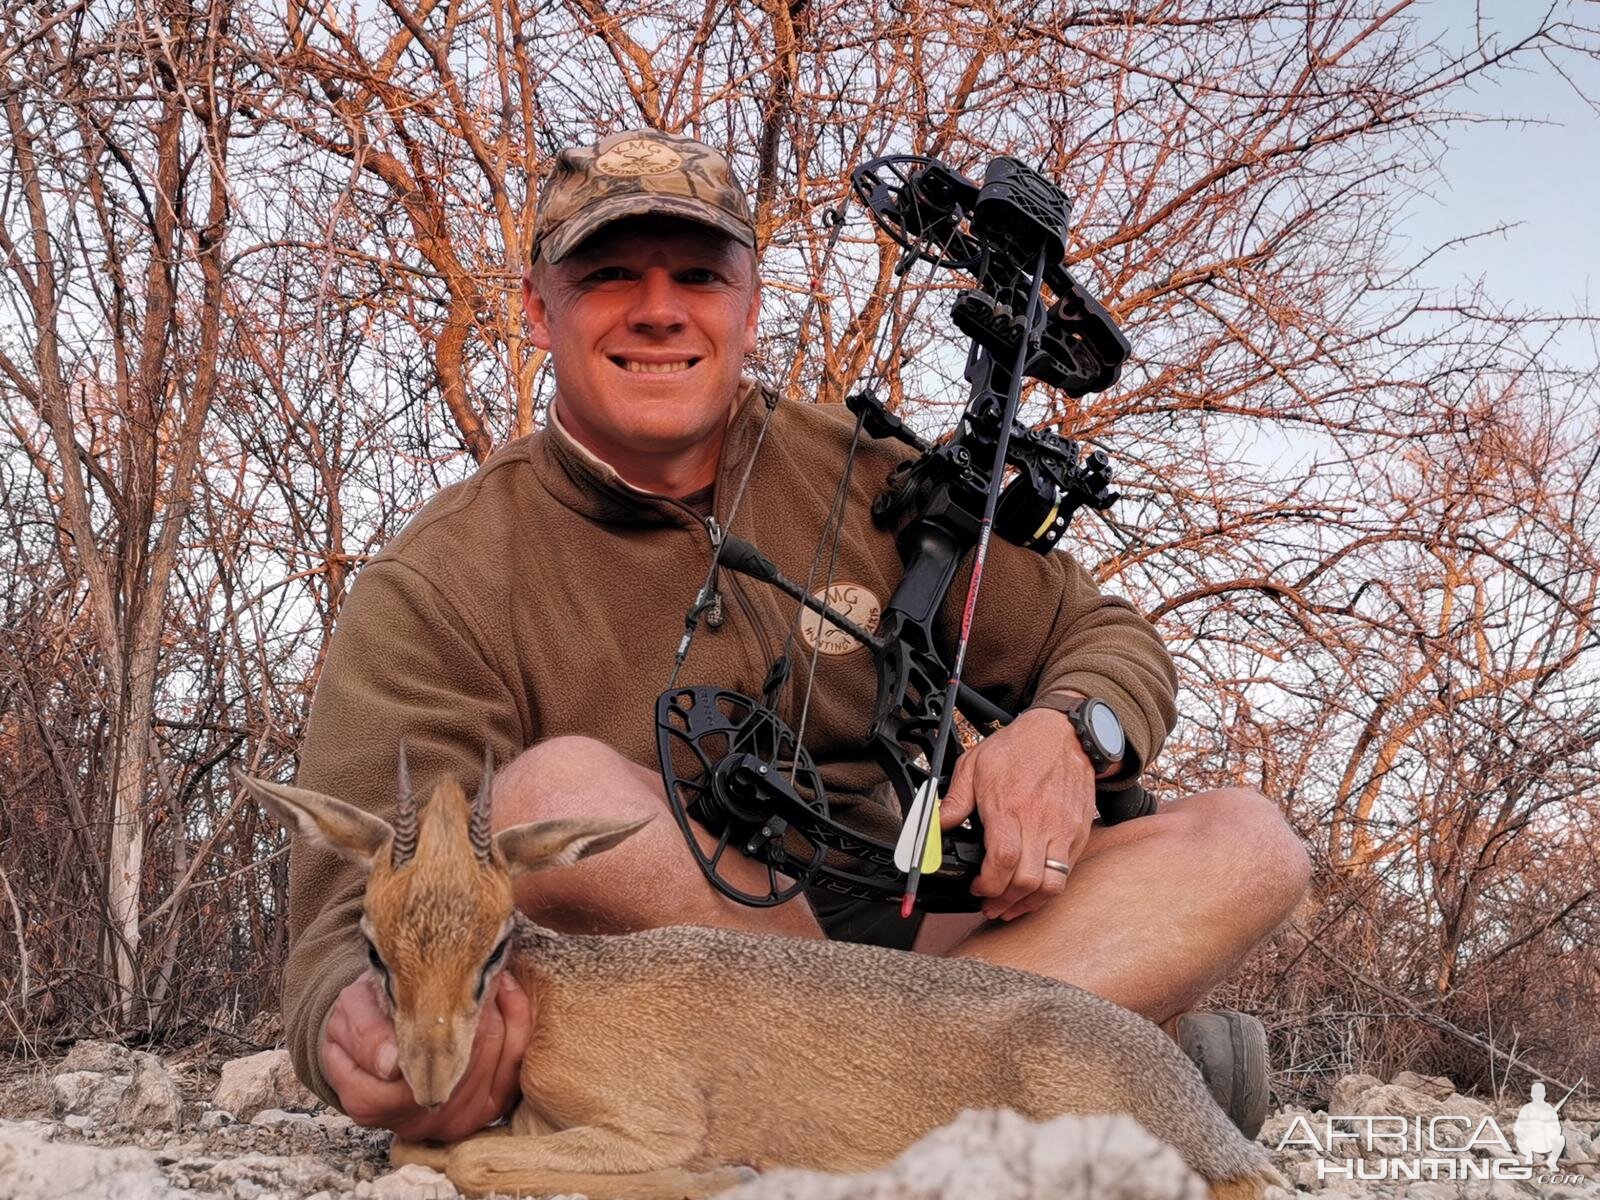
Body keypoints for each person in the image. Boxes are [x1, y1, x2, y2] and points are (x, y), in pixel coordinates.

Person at [280, 129, 1311, 1147]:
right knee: (554, 801)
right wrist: (358, 1034)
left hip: (900, 915)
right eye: (606, 277)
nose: (657, 310)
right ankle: (1068, 1074)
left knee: (1244, 847)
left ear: (748, 307)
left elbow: (1100, 635)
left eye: (697, 274)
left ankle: (870, 1108)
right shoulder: (442, 574)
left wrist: (1067, 735)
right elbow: (355, 897)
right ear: (536, 311)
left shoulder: (862, 469)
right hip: (673, 964)